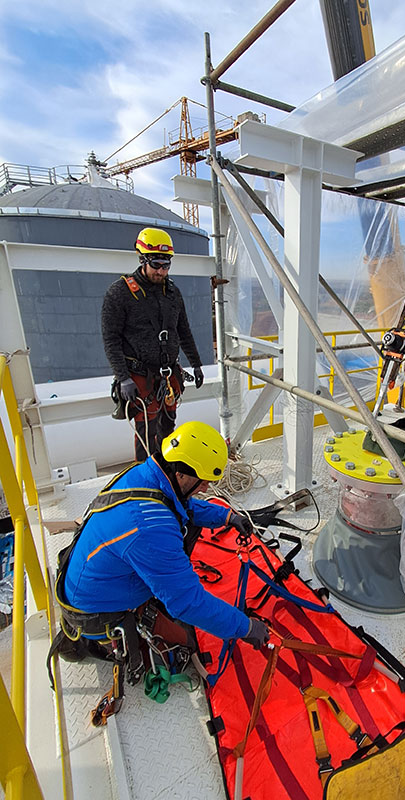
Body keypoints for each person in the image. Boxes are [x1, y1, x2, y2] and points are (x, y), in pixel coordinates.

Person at [55, 421, 269, 672]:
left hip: (89, 585)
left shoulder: (145, 474)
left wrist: (226, 517)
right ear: (180, 472)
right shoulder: (148, 526)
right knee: (187, 644)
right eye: (202, 481)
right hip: (95, 614)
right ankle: (96, 643)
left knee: (185, 533)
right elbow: (188, 603)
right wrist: (245, 627)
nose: (206, 488)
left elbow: (177, 505)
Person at [102, 227, 206, 461]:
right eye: (156, 264)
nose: (161, 271)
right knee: (145, 436)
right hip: (141, 379)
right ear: (142, 260)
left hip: (167, 377)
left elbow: (183, 331)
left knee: (168, 430)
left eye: (166, 265)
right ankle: (147, 482)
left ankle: (167, 473)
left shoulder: (172, 292)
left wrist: (196, 364)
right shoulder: (120, 293)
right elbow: (111, 339)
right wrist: (123, 377)